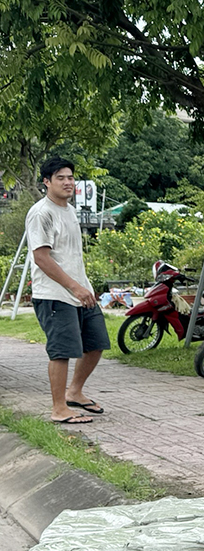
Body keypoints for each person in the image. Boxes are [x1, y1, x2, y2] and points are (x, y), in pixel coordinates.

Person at [25, 157, 109, 424]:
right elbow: (42, 258)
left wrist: (85, 287)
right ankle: (59, 408)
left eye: (71, 177)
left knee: (96, 344)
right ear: (46, 182)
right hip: (54, 295)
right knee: (61, 351)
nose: (68, 182)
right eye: (60, 177)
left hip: (80, 292)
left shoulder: (69, 211)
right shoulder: (41, 212)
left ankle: (75, 392)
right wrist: (74, 287)